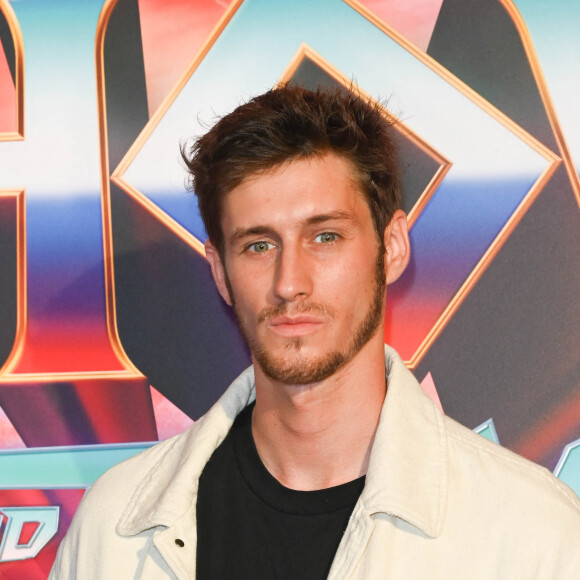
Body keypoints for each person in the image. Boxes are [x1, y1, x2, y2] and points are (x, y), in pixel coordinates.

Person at [50, 85, 580, 579]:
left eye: (325, 237)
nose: (289, 283)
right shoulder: (115, 528)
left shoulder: (531, 535)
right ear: (219, 272)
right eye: (259, 245)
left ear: (392, 247)